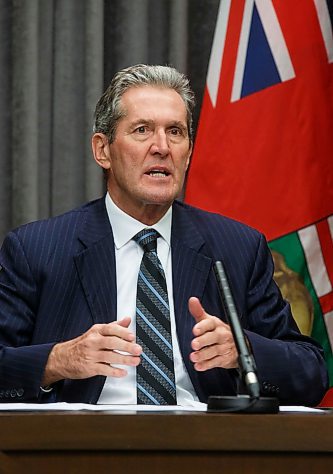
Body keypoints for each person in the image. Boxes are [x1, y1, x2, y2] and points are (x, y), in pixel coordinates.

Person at [0, 64, 328, 406]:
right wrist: (57, 361)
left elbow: (312, 372)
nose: (162, 147)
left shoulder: (238, 248)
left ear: (188, 155)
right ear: (102, 150)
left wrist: (243, 350)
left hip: (203, 446)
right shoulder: (36, 249)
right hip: (86, 446)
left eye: (175, 132)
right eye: (142, 130)